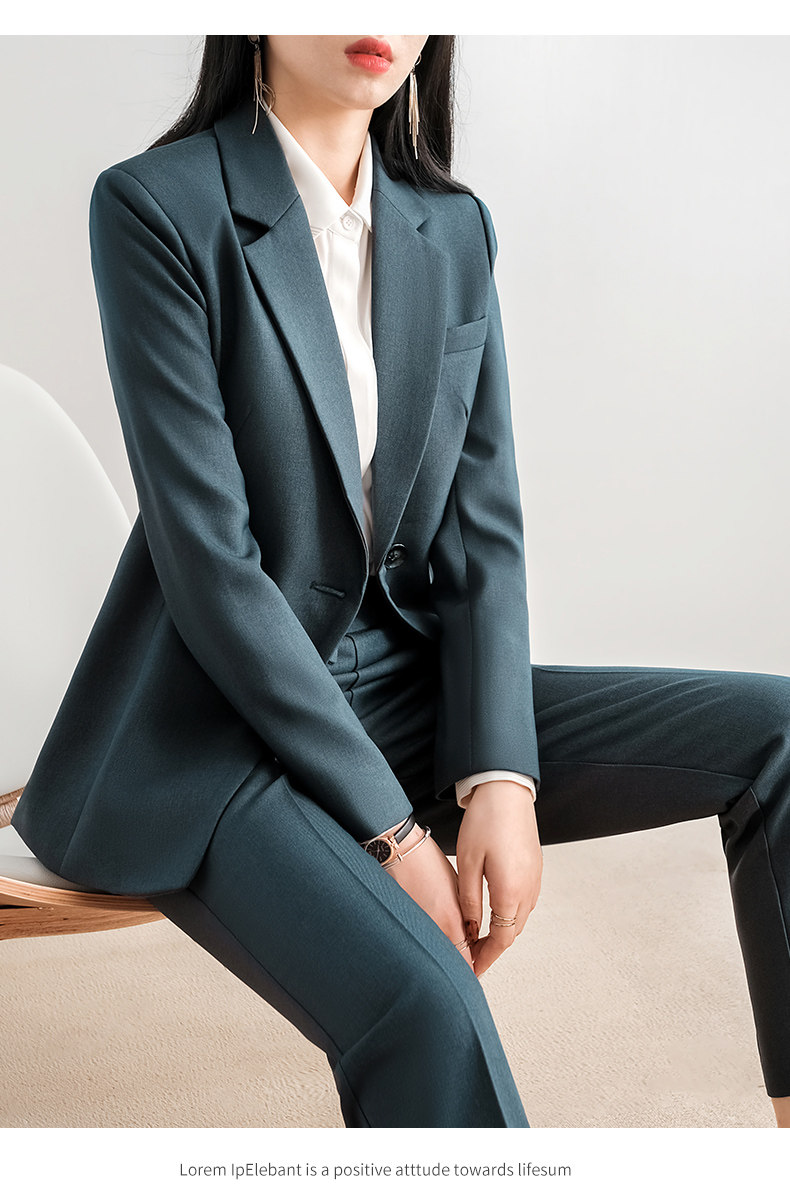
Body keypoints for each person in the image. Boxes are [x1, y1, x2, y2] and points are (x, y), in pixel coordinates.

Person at [11, 34, 790, 1129]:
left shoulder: (452, 228)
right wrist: (396, 832)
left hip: (399, 690)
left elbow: (482, 527)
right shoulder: (156, 206)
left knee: (778, 736)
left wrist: (500, 773)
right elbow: (212, 567)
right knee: (428, 1004)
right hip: (214, 726)